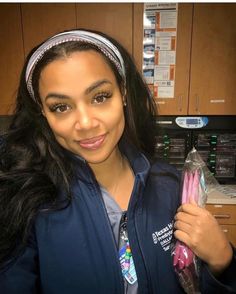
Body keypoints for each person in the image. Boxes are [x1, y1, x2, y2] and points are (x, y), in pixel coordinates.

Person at [0, 29, 235, 294]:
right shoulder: (25, 204)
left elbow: (191, 279)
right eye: (61, 107)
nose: (86, 123)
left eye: (100, 97)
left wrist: (222, 262)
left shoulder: (170, 186)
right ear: (43, 113)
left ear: (122, 91)